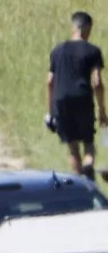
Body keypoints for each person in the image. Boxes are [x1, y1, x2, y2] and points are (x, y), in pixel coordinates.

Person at [47, 11, 107, 179]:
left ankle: (79, 183)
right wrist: (102, 111)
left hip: (61, 100)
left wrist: (50, 112)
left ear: (73, 27)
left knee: (72, 147)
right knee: (88, 142)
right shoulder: (93, 51)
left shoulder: (57, 50)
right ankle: (88, 166)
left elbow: (50, 81)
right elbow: (97, 82)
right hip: (83, 97)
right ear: (87, 29)